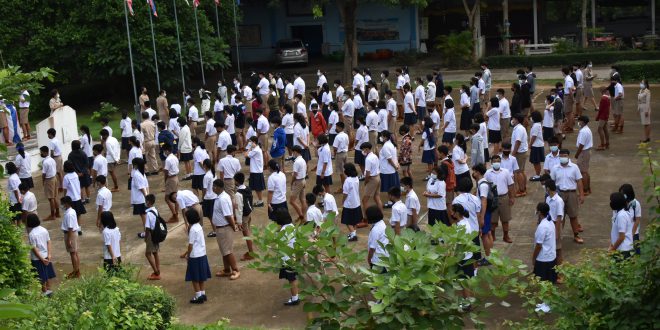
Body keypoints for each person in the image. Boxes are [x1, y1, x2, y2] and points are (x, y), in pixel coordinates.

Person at [550, 149, 585, 244]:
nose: (563, 157)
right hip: (559, 194)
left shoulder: (574, 167)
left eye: (565, 155)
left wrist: (581, 194)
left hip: (572, 193)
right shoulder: (555, 168)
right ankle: (558, 236)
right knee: (560, 216)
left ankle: (576, 235)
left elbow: (579, 181)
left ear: (568, 156)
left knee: (573, 215)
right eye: (561, 156)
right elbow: (551, 182)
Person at [211, 179, 241, 280]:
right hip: (221, 228)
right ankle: (227, 270)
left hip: (224, 228)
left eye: (214, 186)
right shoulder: (221, 197)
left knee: (228, 251)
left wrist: (233, 226)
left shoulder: (222, 199)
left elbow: (228, 215)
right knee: (224, 251)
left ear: (218, 187)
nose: (212, 188)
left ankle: (235, 270)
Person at [181, 209, 212, 304]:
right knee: (201, 276)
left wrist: (188, 256)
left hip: (194, 256)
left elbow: (191, 245)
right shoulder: (199, 226)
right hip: (202, 254)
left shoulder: (193, 229)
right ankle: (203, 294)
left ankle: (198, 296)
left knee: (194, 277)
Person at [451, 203, 477, 311]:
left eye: (453, 211)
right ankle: (468, 301)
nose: (451, 213)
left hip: (463, 257)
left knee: (463, 282)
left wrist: (453, 255)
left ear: (457, 213)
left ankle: (467, 304)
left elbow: (459, 244)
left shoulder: (461, 226)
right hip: (468, 256)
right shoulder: (466, 221)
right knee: (465, 281)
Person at [532, 202, 557, 313]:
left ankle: (547, 304)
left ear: (539, 212)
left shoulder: (543, 226)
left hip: (543, 259)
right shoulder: (549, 221)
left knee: (544, 282)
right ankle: (546, 302)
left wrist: (533, 258)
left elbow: (538, 245)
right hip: (551, 256)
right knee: (548, 281)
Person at [272, 208, 300, 306]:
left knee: (291, 279)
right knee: (293, 278)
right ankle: (295, 296)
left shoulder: (283, 230)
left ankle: (295, 298)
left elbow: (279, 245)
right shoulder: (291, 226)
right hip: (293, 256)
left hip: (288, 259)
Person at [485, 155, 515, 243]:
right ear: (491, 163)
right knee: (493, 220)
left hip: (504, 197)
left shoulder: (506, 172)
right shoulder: (487, 173)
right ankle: (493, 236)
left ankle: (506, 236)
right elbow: (485, 185)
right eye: (494, 161)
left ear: (500, 162)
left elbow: (510, 185)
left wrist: (512, 197)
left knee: (505, 219)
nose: (496, 163)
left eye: (498, 161)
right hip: (492, 199)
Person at [452, 177, 482, 262]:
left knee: (463, 255)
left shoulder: (456, 200)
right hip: (474, 231)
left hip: (463, 231)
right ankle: (474, 273)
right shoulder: (476, 199)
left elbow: (455, 218)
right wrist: (480, 228)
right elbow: (478, 216)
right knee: (475, 256)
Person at [26, 214, 55, 296]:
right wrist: (49, 254)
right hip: (46, 256)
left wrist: (42, 259)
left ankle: (44, 291)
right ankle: (49, 290)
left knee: (40, 276)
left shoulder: (32, 234)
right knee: (47, 274)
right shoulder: (44, 230)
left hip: (37, 258)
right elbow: (49, 242)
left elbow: (34, 249)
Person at [472, 164, 493, 264]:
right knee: (487, 234)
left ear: (478, 172)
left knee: (484, 235)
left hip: (484, 212)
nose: (473, 173)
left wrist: (482, 217)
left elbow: (483, 201)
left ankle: (488, 257)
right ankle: (490, 256)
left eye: (475, 171)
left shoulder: (483, 185)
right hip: (486, 212)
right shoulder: (481, 183)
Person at [62, 160, 86, 234]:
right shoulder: (75, 174)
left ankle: (73, 229)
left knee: (71, 215)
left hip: (70, 199)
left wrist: (64, 197)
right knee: (78, 214)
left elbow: (65, 189)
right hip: (77, 197)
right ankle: (79, 229)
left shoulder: (66, 177)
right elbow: (78, 185)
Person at [608, 192, 634, 259]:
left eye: (611, 201)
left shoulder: (621, 216)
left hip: (623, 251)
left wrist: (613, 249)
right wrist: (611, 244)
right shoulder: (620, 213)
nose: (610, 203)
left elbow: (622, 237)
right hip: (622, 249)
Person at [60, 196, 80, 279]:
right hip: (71, 234)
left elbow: (70, 228)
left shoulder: (69, 214)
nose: (61, 205)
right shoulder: (71, 211)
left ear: (66, 203)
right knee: (75, 253)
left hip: (70, 234)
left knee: (73, 254)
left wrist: (69, 240)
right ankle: (76, 270)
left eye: (62, 203)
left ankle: (76, 272)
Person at [361, 142, 383, 217]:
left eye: (363, 149)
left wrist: (366, 182)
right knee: (376, 197)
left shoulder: (368, 159)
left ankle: (366, 218)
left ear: (367, 149)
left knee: (364, 200)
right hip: (378, 177)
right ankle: (381, 215)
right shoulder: (374, 156)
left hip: (372, 179)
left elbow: (367, 173)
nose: (363, 151)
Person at [379, 130, 400, 208]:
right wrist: (397, 165)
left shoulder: (386, 146)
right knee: (392, 187)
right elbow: (394, 157)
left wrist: (395, 166)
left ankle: (391, 202)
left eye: (381, 136)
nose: (380, 137)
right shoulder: (391, 144)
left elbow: (390, 159)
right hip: (391, 170)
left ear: (385, 137)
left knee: (390, 188)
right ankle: (393, 201)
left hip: (387, 170)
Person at [341, 163, 362, 242]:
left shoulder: (347, 180)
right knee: (355, 220)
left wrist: (342, 201)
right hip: (356, 202)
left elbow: (345, 194)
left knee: (347, 220)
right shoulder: (356, 178)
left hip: (349, 204)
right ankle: (353, 233)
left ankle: (353, 234)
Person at [619, 184, 642, 255]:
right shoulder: (622, 203)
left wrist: (632, 233)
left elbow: (637, 220)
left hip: (633, 233)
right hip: (623, 232)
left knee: (635, 253)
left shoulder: (636, 204)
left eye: (623, 194)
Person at [510, 114, 529, 196]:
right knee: (521, 171)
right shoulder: (520, 128)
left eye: (513, 118)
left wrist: (513, 153)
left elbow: (518, 142)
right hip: (521, 152)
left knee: (518, 172)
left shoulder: (519, 129)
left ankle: (521, 190)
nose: (512, 120)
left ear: (516, 120)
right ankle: (523, 187)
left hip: (519, 153)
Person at [366, 206, 389, 271]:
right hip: (384, 256)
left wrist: (369, 259)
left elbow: (372, 247)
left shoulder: (375, 230)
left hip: (377, 260)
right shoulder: (382, 223)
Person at [575, 116, 593, 195]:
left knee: (583, 172)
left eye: (579, 121)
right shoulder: (587, 129)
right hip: (587, 151)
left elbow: (581, 145)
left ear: (582, 122)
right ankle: (588, 188)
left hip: (583, 152)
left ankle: (585, 190)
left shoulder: (583, 131)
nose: (578, 123)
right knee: (585, 171)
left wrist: (577, 154)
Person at [40, 146, 59, 220]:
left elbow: (43, 174)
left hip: (49, 180)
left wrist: (43, 182)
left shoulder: (45, 162)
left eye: (41, 152)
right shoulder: (52, 159)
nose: (40, 153)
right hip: (54, 178)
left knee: (51, 198)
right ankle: (57, 213)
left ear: (45, 152)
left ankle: (52, 215)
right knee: (54, 197)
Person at [247, 136, 266, 207]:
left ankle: (260, 201)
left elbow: (246, 155)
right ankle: (259, 200)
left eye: (250, 142)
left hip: (256, 172)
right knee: (255, 188)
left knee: (258, 188)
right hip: (256, 171)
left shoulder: (256, 150)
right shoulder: (256, 149)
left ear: (254, 142)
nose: (250, 143)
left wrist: (249, 148)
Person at [332, 122, 349, 192]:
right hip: (345, 153)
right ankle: (346, 185)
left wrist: (334, 154)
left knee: (341, 172)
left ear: (340, 128)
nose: (336, 128)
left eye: (337, 127)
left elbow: (335, 147)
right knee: (346, 170)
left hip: (340, 155)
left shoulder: (338, 136)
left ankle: (343, 188)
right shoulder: (345, 135)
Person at [529, 111, 545, 182]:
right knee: (536, 161)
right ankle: (538, 174)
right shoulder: (538, 124)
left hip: (536, 146)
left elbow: (534, 136)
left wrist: (530, 145)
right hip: (538, 145)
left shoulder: (536, 125)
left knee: (536, 161)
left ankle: (538, 175)